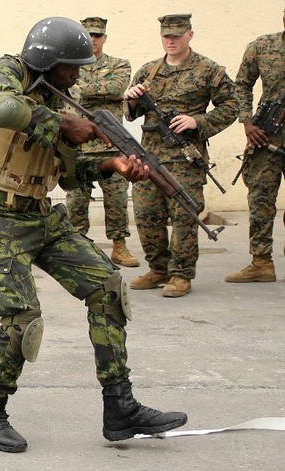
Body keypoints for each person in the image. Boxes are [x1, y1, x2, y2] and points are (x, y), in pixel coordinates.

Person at [0, 17, 188, 453]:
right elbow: (5, 110)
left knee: (107, 286)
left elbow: (67, 173)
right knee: (22, 319)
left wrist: (111, 166)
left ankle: (120, 407)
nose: (80, 75)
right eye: (73, 66)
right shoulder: (8, 72)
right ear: (50, 60)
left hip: (40, 213)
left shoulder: (61, 96)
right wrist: (65, 125)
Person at [124, 14, 238, 297]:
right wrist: (132, 100)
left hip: (186, 157)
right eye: (166, 36)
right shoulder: (148, 71)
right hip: (148, 156)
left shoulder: (208, 70)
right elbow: (130, 114)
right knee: (146, 214)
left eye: (176, 35)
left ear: (190, 35)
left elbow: (231, 106)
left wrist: (198, 122)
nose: (170, 41)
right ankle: (158, 269)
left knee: (185, 216)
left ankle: (181, 275)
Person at [65, 17, 138, 268]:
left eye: (97, 35)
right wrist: (103, 90)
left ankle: (119, 246)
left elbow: (117, 86)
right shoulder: (71, 65)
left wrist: (83, 87)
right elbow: (72, 91)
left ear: (104, 37)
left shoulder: (120, 64)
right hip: (79, 146)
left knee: (117, 200)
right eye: (89, 35)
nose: (93, 39)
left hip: (111, 144)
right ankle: (77, 248)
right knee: (75, 201)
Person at [225, 9, 284, 283]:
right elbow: (242, 84)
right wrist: (246, 121)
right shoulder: (262, 46)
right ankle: (261, 262)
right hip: (266, 137)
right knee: (261, 200)